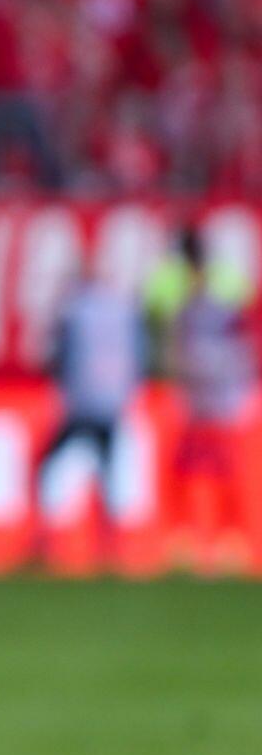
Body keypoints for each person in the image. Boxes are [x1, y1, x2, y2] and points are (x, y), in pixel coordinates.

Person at [26, 262, 146, 572]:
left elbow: (55, 355)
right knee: (108, 476)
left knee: (48, 470)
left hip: (80, 404)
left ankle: (45, 542)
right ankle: (110, 550)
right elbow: (140, 356)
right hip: (112, 405)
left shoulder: (74, 310)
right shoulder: (124, 309)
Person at [163, 229, 256, 574]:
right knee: (186, 467)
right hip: (196, 395)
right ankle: (187, 537)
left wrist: (244, 385)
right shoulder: (174, 285)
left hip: (224, 396)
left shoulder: (228, 284)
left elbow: (244, 336)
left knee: (227, 468)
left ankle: (232, 539)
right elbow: (174, 337)